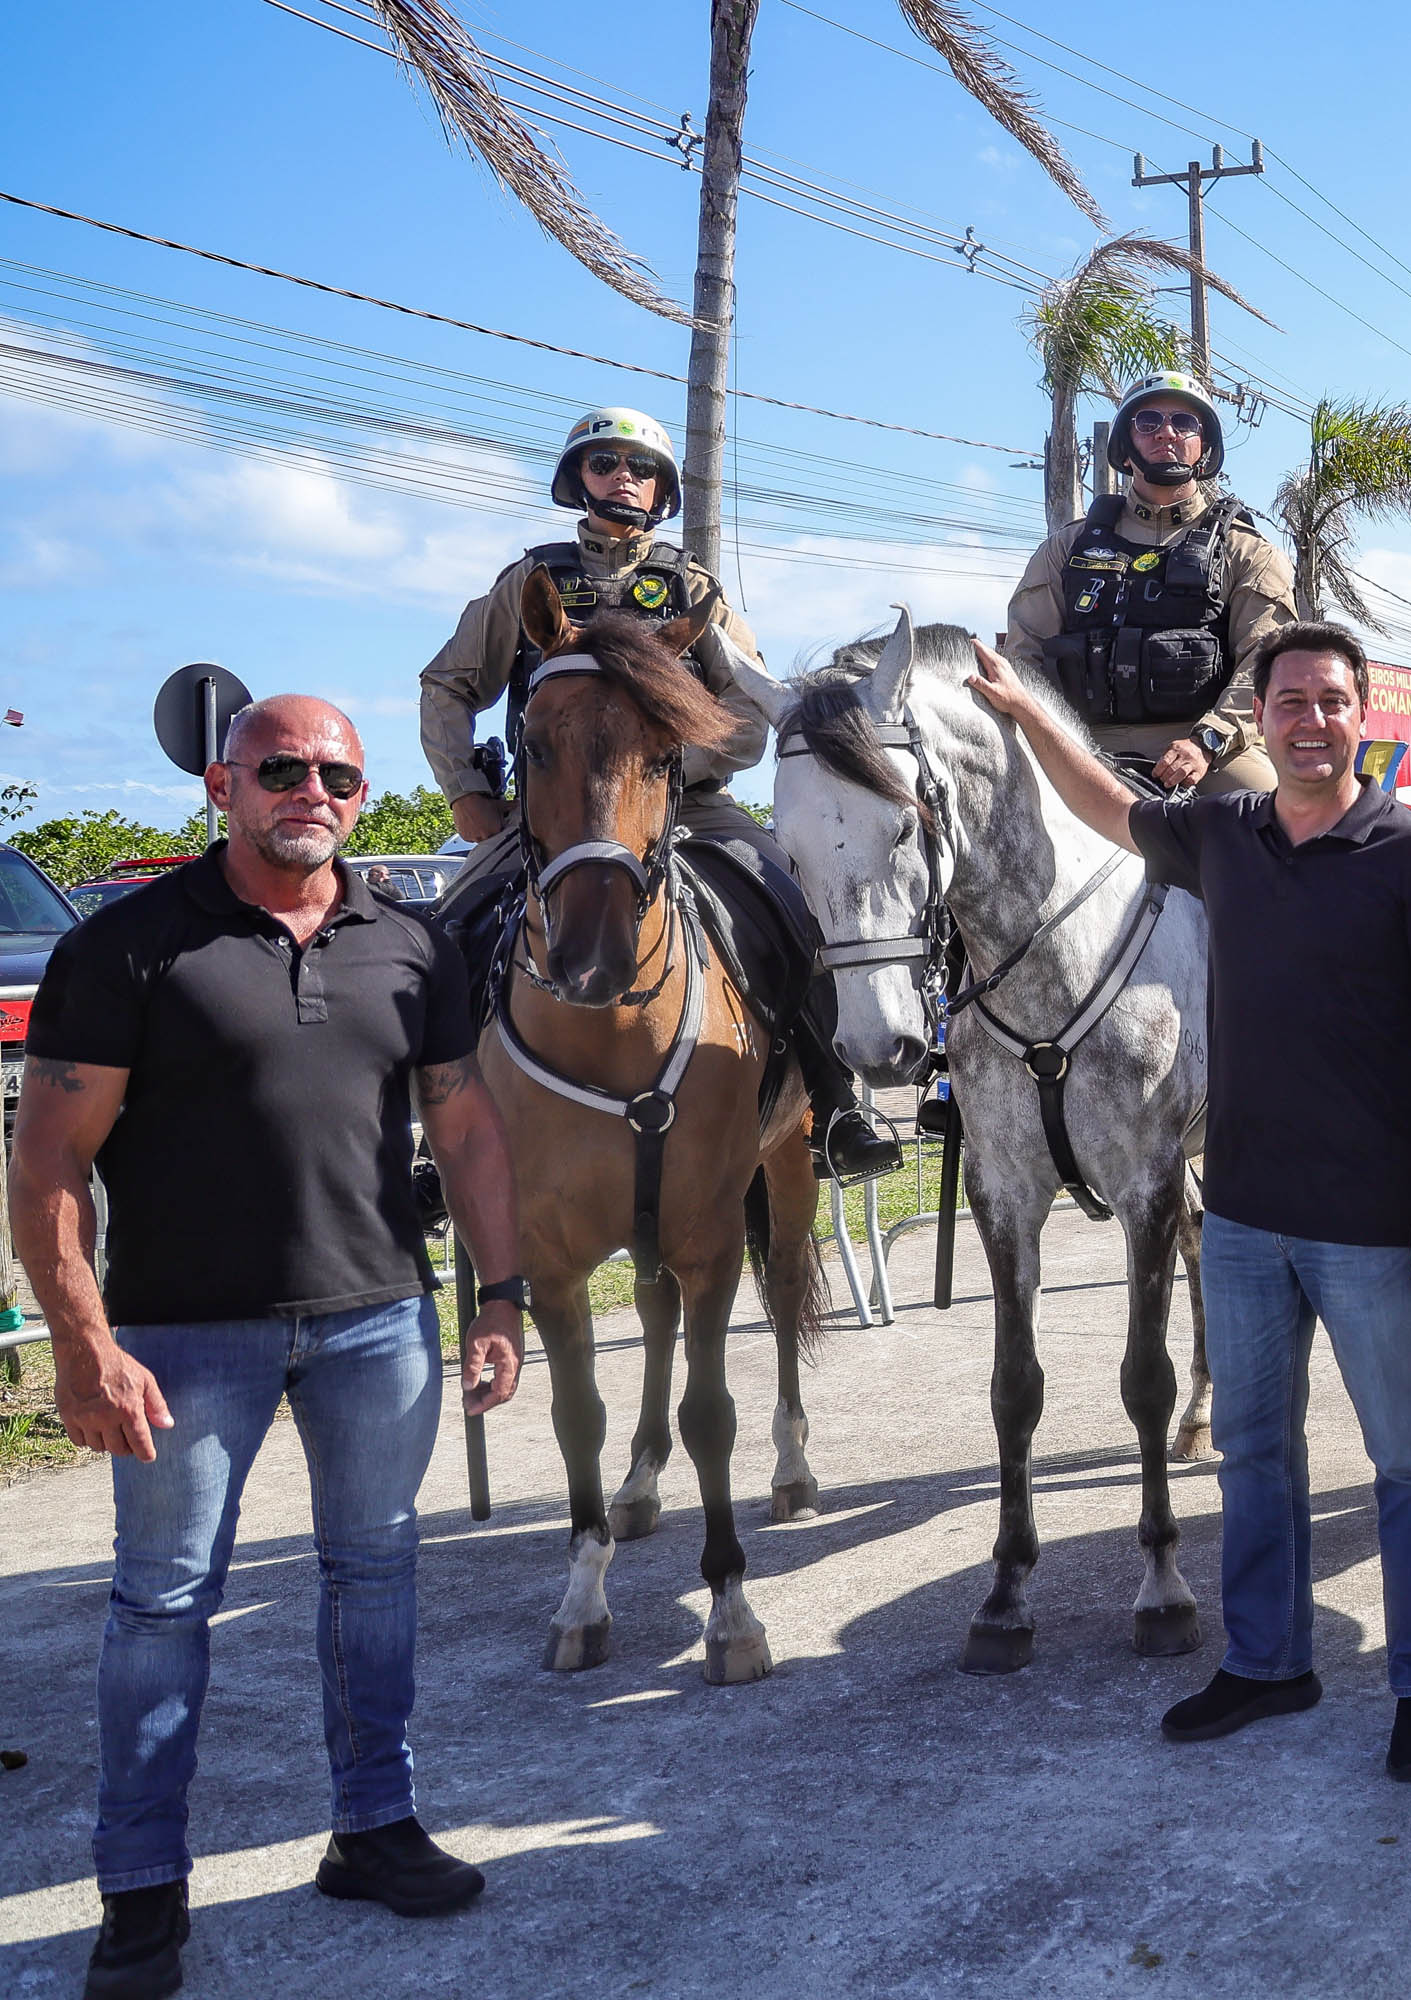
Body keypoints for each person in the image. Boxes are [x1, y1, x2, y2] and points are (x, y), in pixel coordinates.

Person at [17, 698, 530, 2000]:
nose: (313, 790)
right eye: (283, 769)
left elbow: (463, 1126)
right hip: (186, 1336)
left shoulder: (411, 943)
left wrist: (498, 1297)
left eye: (338, 775)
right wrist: (82, 1344)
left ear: (363, 797)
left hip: (378, 1320)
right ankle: (140, 1897)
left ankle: (374, 1831)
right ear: (223, 785)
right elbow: (50, 1164)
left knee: (376, 1580)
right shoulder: (130, 948)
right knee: (162, 1605)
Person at [964, 619, 1411, 1783]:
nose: (1311, 720)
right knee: (1254, 1453)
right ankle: (1266, 1659)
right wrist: (1028, 711)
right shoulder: (1224, 835)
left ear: (1362, 715)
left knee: (1406, 1462)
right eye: (1290, 701)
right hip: (1243, 1214)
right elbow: (1103, 805)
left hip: (1376, 1222)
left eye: (1331, 700)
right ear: (1267, 714)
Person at [417, 406, 900, 1178]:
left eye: (640, 469)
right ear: (577, 478)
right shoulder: (525, 583)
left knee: (795, 910)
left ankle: (834, 1103)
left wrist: (674, 774)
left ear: (662, 489)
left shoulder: (691, 588)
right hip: (554, 816)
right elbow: (446, 685)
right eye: (605, 464)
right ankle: (426, 1143)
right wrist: (466, 791)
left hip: (686, 803)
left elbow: (747, 709)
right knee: (442, 933)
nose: (623, 478)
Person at [997, 371, 1293, 799]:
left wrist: (1207, 742)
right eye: (1148, 422)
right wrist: (1048, 738)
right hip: (1077, 744)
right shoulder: (1065, 549)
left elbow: (1267, 665)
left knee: (1275, 824)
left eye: (1184, 423)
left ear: (1204, 446)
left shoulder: (1247, 551)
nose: (1166, 433)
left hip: (1211, 751)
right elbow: (1025, 659)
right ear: (1125, 445)